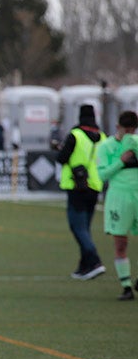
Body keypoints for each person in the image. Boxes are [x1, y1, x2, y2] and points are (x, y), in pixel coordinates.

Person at [56, 104, 106, 280]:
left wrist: (59, 148)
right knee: (85, 227)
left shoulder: (75, 135)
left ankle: (94, 261)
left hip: (76, 186)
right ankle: (84, 266)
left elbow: (61, 158)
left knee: (77, 226)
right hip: (95, 185)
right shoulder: (102, 137)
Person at [96, 110, 138, 300]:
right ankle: (126, 286)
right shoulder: (106, 147)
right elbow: (103, 175)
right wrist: (121, 162)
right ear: (117, 128)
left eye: (132, 131)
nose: (129, 134)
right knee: (121, 242)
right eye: (126, 130)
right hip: (119, 196)